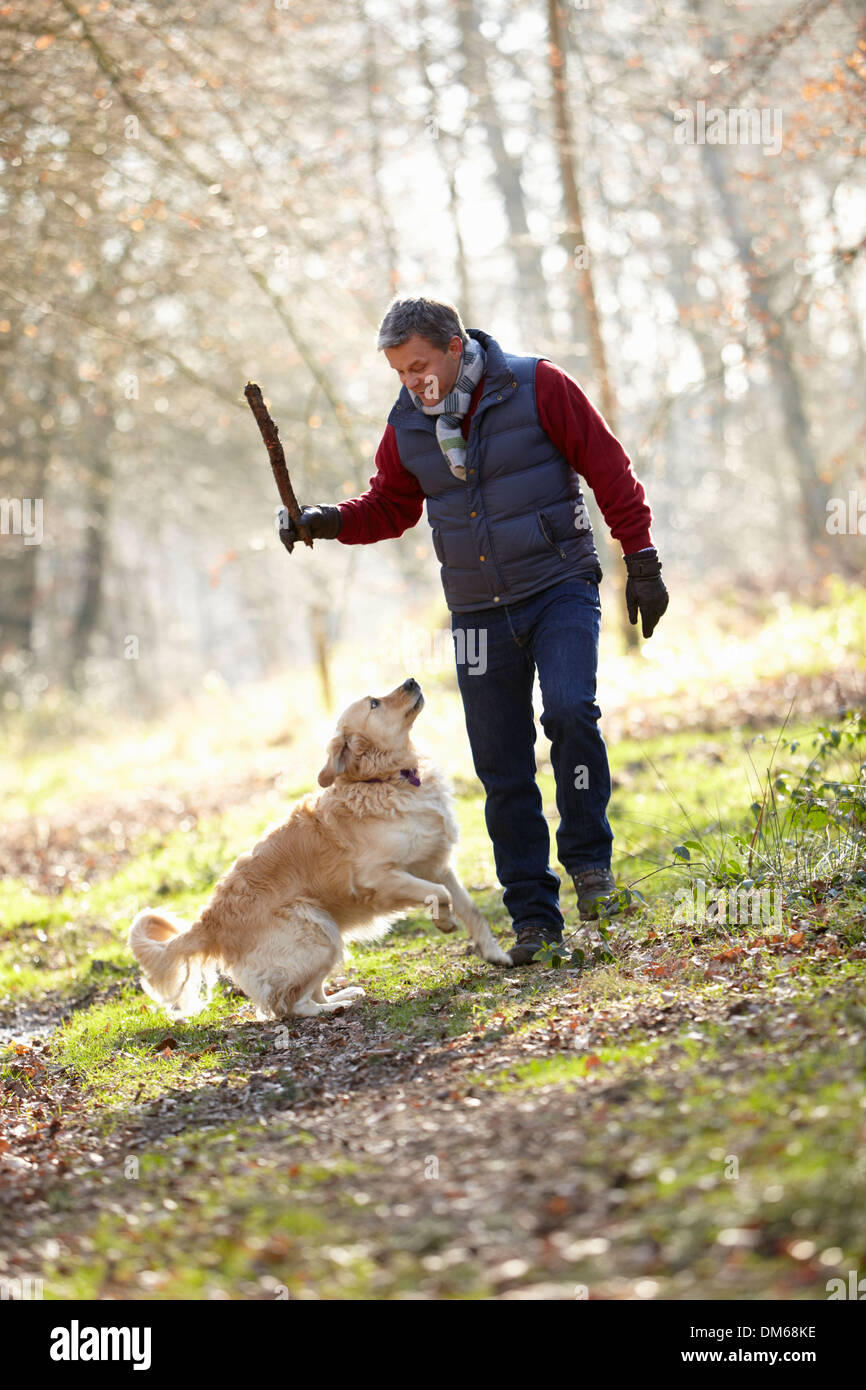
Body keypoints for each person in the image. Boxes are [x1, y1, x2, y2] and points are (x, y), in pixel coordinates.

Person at [279, 297, 668, 964]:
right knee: (501, 764)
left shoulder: (539, 384)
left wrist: (641, 559)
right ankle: (534, 917)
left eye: (420, 366)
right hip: (479, 612)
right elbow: (390, 506)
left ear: (456, 346)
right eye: (401, 373)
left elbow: (609, 467)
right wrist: (325, 520)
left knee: (572, 711)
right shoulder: (407, 425)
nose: (413, 383)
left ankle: (591, 866)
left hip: (559, 588)